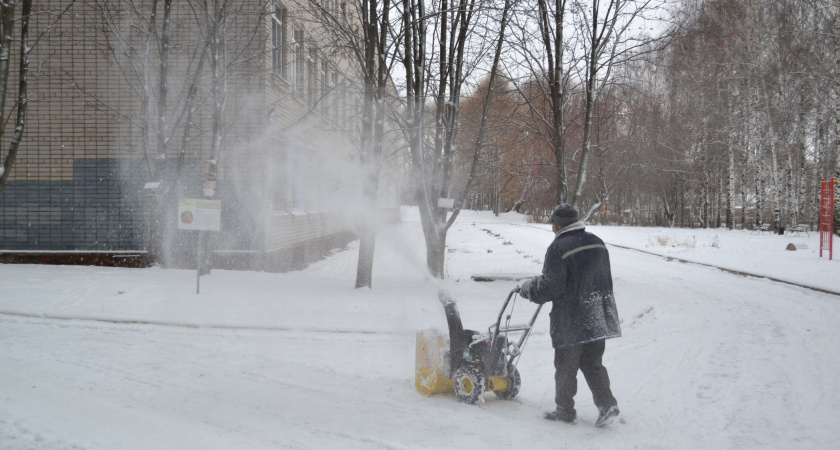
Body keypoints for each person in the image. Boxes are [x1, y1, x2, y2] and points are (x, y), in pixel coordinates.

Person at [518, 203, 621, 427]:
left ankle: (564, 411)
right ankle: (607, 405)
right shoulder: (597, 242)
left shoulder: (558, 248)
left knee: (566, 365)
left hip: (571, 317)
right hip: (597, 311)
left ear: (557, 225)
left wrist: (528, 289)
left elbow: (550, 287)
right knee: (593, 362)